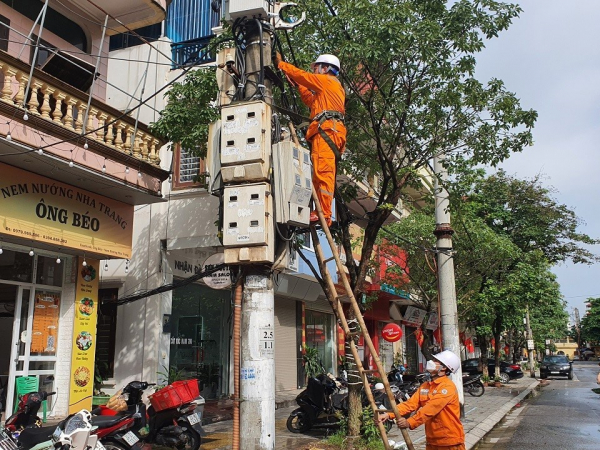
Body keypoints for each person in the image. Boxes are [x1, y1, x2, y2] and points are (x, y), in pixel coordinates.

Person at [273, 52, 346, 226]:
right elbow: (310, 101)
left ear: (326, 68)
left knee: (323, 173)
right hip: (327, 131)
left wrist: (281, 65)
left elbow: (303, 76)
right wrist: (298, 84)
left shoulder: (328, 81)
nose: (314, 71)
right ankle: (320, 211)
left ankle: (325, 214)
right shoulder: (326, 91)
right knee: (319, 173)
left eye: (316, 68)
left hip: (328, 131)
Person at [394, 350, 465, 450]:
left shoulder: (447, 387)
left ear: (444, 367)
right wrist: (388, 414)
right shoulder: (425, 386)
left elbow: (431, 409)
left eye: (436, 360)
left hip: (450, 441)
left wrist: (410, 422)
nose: (431, 361)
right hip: (432, 441)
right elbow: (410, 404)